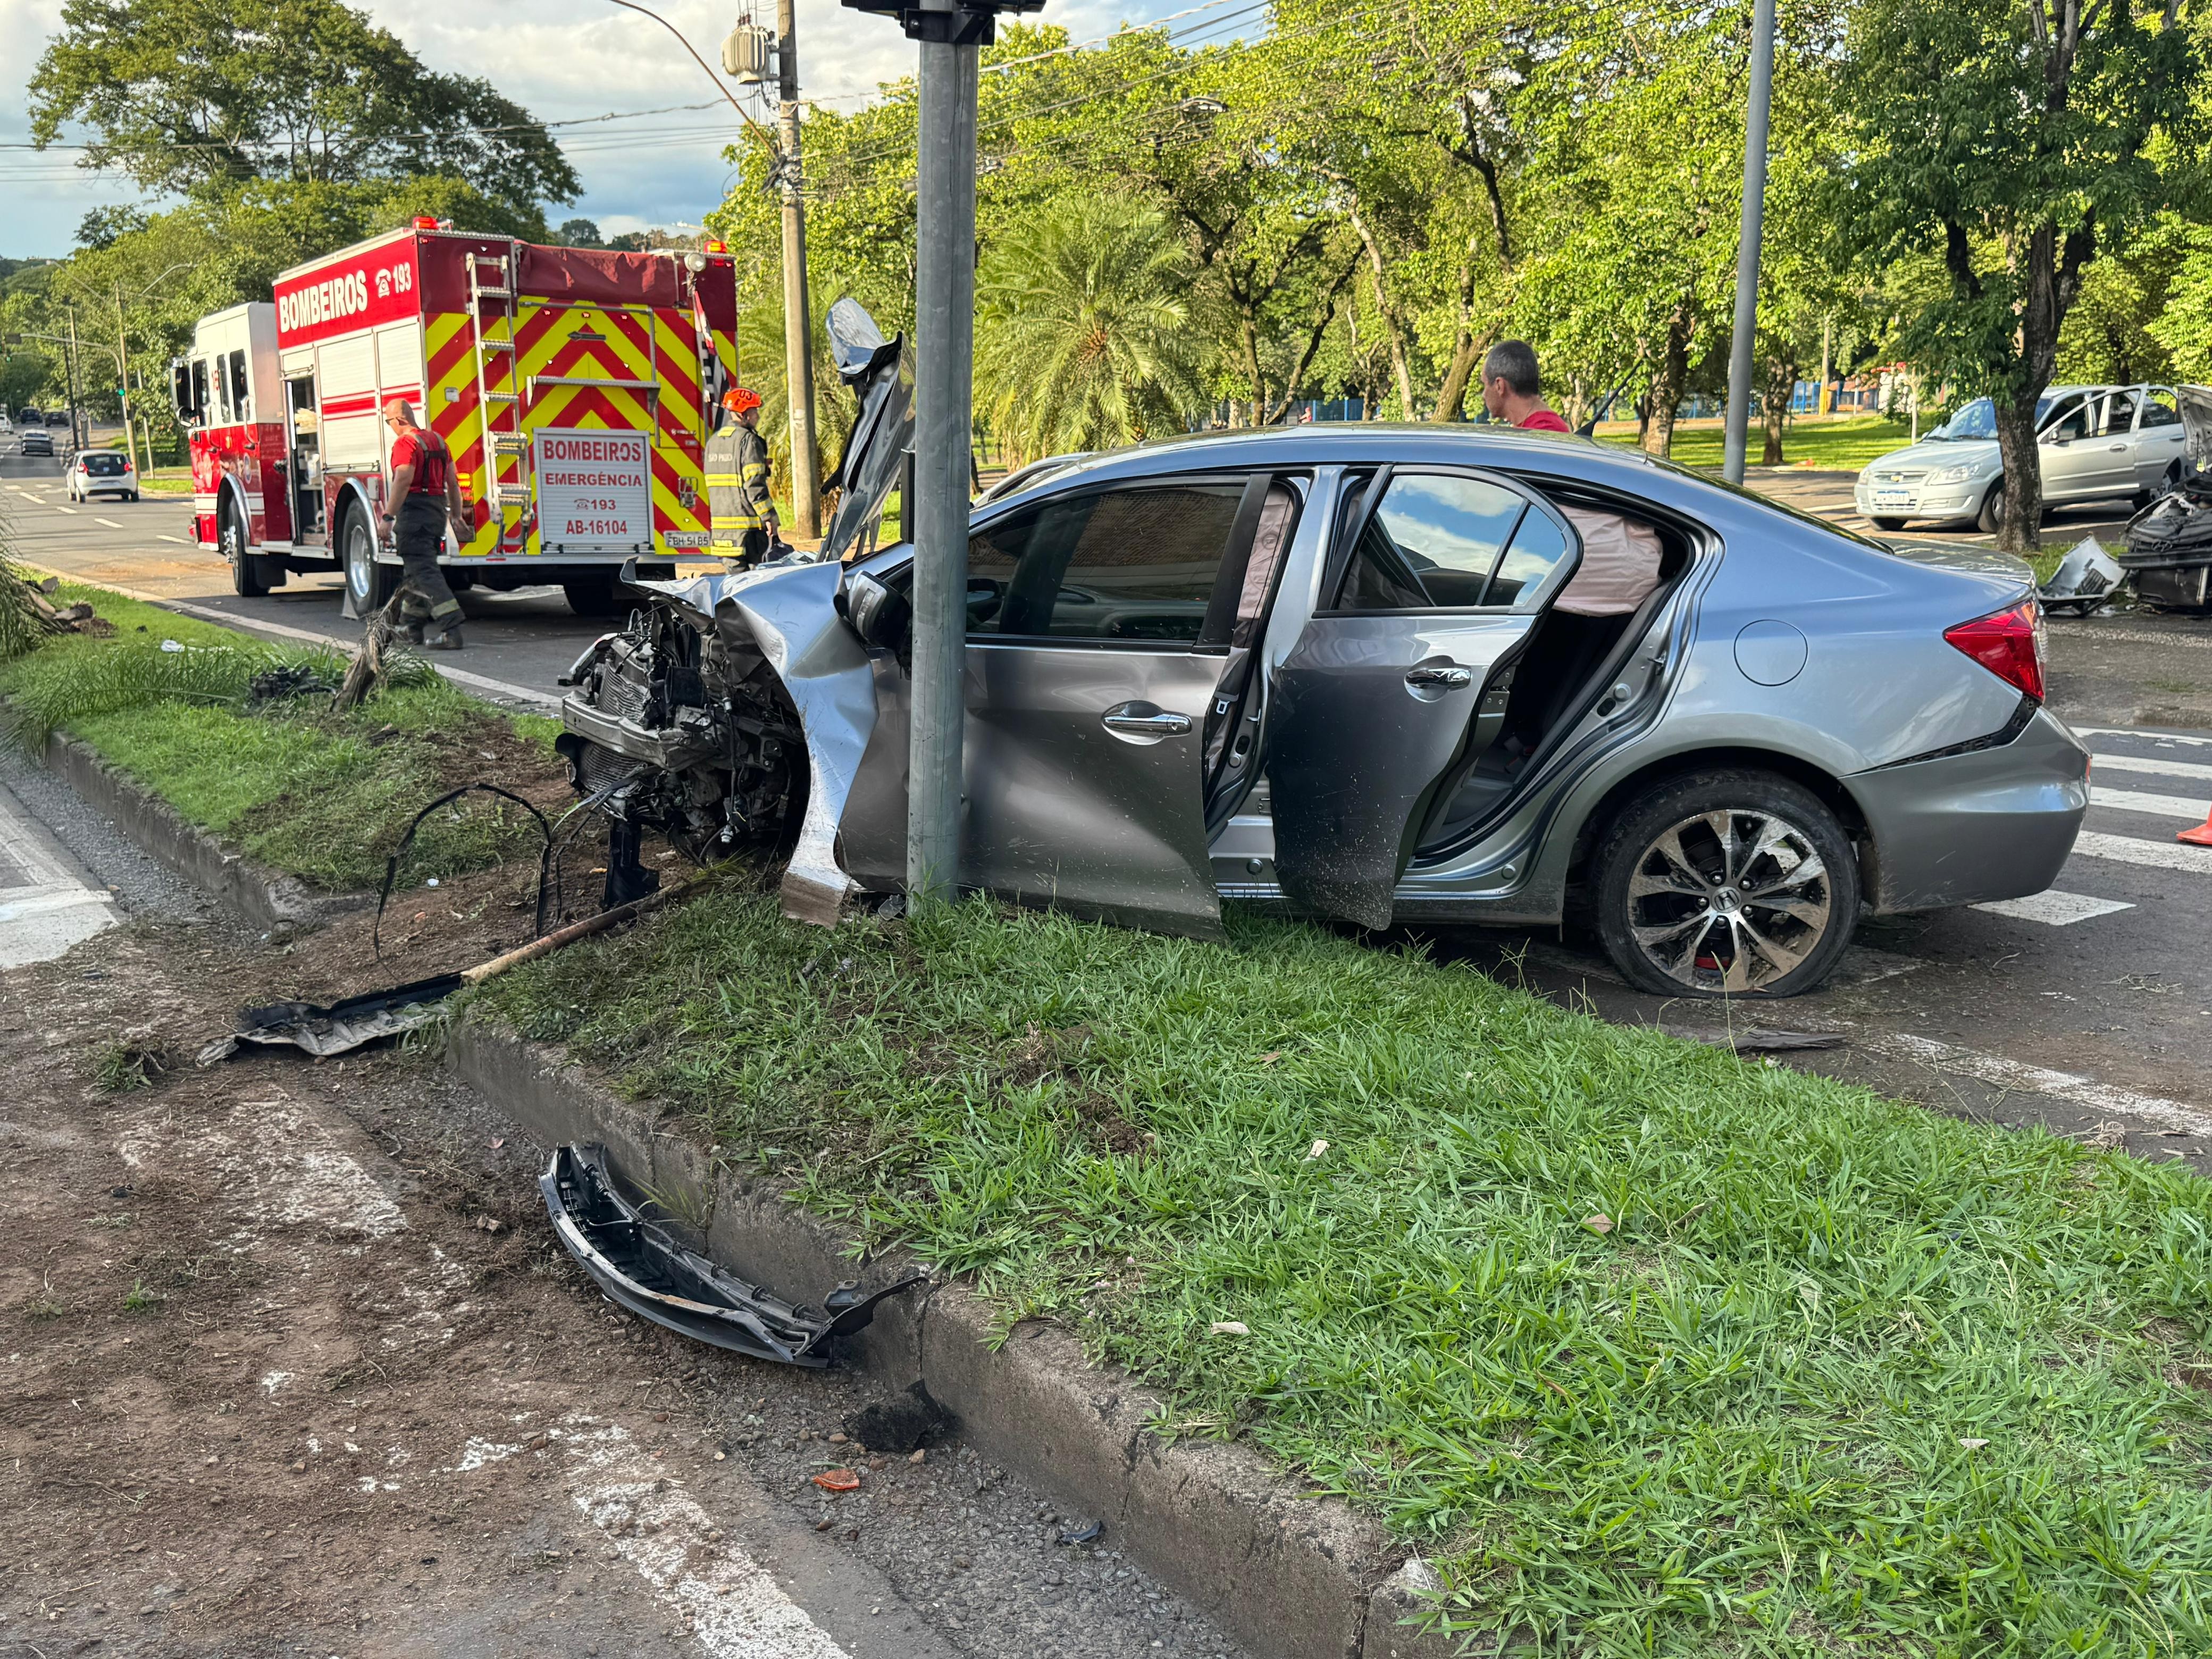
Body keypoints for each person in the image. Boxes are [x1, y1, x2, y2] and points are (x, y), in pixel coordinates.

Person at [378, 399, 468, 650]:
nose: (390, 427)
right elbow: (453, 482)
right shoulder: (438, 441)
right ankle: (411, 628)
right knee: (415, 572)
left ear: (399, 420)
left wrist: (387, 517)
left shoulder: (405, 443)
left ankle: (452, 629)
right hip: (436, 511)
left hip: (415, 513)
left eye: (389, 422)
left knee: (425, 572)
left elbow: (403, 480)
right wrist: (456, 515)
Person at [705, 387, 778, 566]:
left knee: (733, 584)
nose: (758, 417)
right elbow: (754, 486)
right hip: (748, 533)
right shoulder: (749, 441)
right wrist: (769, 517)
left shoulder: (713, 442)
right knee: (753, 588)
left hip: (723, 533)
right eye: (754, 411)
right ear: (744, 414)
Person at [1480, 340, 1571, 432]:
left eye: (1485, 384)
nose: (1483, 395)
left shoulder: (1543, 432)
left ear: (1499, 386)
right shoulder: (1536, 428)